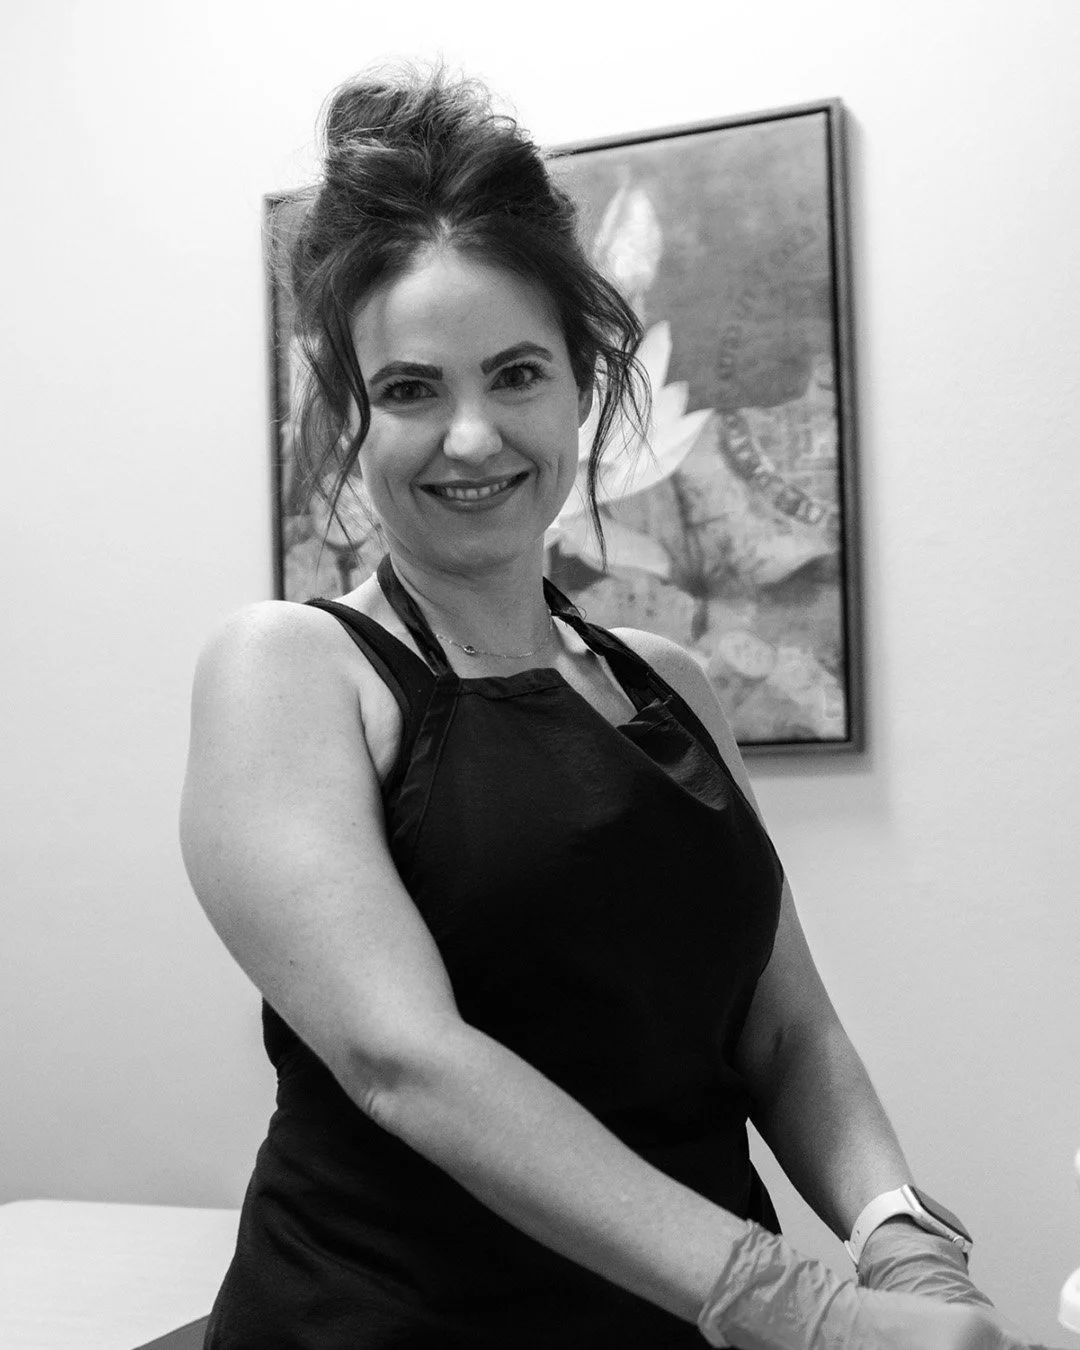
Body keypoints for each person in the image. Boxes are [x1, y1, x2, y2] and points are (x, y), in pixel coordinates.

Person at [179, 66, 1054, 1349]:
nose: (472, 436)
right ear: (354, 423)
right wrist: (796, 1308)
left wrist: (896, 1237)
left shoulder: (671, 681)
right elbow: (402, 1060)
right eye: (413, 389)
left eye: (516, 373)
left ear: (583, 389)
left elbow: (783, 1018)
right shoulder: (289, 671)